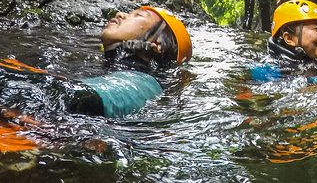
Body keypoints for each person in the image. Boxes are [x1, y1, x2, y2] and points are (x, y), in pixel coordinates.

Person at [0, 6, 192, 119]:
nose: (121, 14)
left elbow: (74, 98)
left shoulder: (143, 84)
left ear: (156, 44)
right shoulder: (121, 75)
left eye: (138, 16)